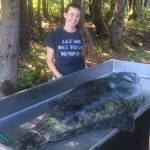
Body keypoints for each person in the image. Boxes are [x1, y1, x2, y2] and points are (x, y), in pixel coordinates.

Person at [45, 3, 93, 79]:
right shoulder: (54, 35)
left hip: (80, 75)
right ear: (65, 15)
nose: (74, 18)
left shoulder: (83, 34)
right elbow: (49, 60)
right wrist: (59, 76)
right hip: (61, 76)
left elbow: (85, 56)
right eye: (71, 14)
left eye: (77, 16)